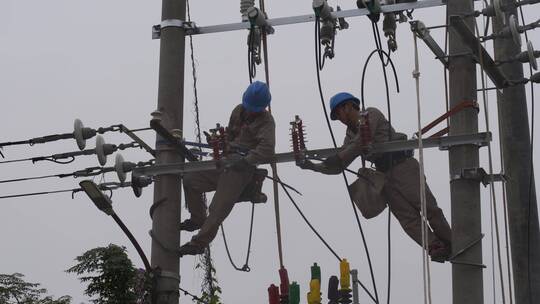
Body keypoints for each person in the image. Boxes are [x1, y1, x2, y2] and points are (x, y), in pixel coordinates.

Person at [297, 92, 452, 262]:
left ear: (348, 106)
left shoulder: (370, 115)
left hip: (403, 167)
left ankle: (452, 241)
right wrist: (314, 167)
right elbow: (341, 165)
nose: (339, 119)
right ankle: (434, 245)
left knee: (428, 207)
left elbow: (357, 145)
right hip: (384, 175)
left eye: (338, 113)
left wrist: (339, 158)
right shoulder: (350, 133)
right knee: (407, 219)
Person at [178, 81, 276, 256]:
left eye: (256, 109)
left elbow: (266, 149)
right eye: (250, 107)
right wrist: (219, 143)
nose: (252, 111)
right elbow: (230, 137)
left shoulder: (267, 121)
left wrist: (246, 161)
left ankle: (199, 243)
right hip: (226, 160)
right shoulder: (238, 111)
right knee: (191, 179)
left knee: (219, 206)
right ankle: (197, 218)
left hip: (242, 168)